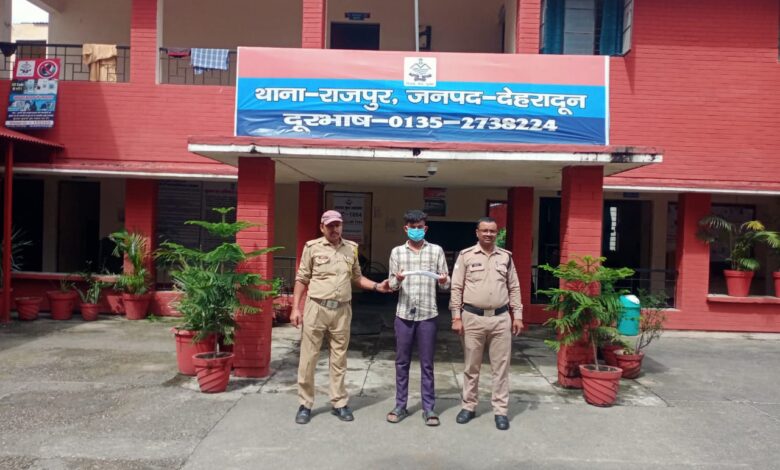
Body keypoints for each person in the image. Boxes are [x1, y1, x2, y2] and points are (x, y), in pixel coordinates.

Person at [291, 210, 391, 425]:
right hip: (316, 308)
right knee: (308, 358)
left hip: (342, 310)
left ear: (342, 226)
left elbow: (357, 278)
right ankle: (305, 404)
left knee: (339, 358)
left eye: (337, 225)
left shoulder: (351, 248)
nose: (334, 229)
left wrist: (377, 286)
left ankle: (339, 402)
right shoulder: (312, 247)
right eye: (330, 225)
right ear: (322, 227)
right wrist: (295, 309)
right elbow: (302, 279)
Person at [449, 217, 523, 431]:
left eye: (492, 231)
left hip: (501, 319)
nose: (489, 234)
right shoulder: (466, 256)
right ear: (477, 232)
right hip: (472, 318)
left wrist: (518, 315)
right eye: (485, 230)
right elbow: (456, 287)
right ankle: (469, 406)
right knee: (471, 366)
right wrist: (456, 316)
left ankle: (500, 410)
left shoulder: (506, 257)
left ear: (497, 233)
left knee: (501, 367)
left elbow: (514, 287)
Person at [386, 209, 450, 426]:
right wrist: (398, 279)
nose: (416, 230)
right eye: (412, 227)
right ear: (406, 229)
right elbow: (391, 285)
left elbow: (446, 282)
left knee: (427, 363)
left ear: (426, 228)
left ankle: (429, 408)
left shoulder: (436, 251)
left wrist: (444, 281)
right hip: (404, 314)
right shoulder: (397, 252)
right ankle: (400, 405)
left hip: (427, 314)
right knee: (402, 362)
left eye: (419, 227)